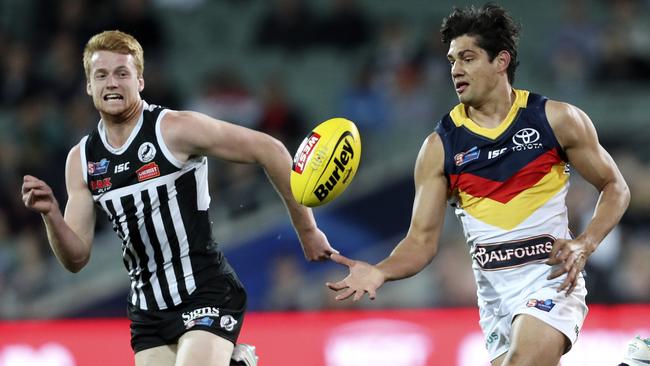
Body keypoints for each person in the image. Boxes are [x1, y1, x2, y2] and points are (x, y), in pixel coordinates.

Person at [326, 4, 630, 366]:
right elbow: (421, 242)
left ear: (500, 61)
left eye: (468, 58)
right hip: (495, 302)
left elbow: (615, 186)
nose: (456, 69)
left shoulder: (556, 120)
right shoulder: (440, 147)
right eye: (452, 60)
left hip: (551, 282)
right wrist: (380, 270)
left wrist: (585, 243)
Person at [21, 30, 336, 366]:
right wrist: (51, 215)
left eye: (122, 73)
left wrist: (307, 230)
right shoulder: (82, 160)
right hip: (149, 311)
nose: (111, 83)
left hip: (205, 291)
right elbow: (76, 259)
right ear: (88, 85)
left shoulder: (174, 130)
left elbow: (270, 149)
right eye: (101, 75)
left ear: (140, 80)